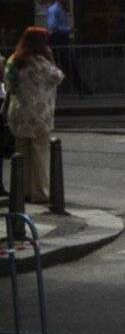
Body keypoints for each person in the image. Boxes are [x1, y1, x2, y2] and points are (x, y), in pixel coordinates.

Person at [4, 27, 64, 204]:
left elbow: (9, 85)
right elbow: (58, 77)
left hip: (18, 113)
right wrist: (51, 58)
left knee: (21, 153)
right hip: (39, 115)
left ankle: (21, 191)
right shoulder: (40, 62)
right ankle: (39, 192)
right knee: (39, 153)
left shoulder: (14, 60)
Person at [45, 0, 88, 97]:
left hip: (60, 40)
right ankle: (82, 89)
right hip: (57, 40)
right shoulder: (54, 9)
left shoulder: (60, 9)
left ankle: (83, 89)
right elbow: (53, 26)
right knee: (65, 66)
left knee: (68, 66)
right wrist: (68, 29)